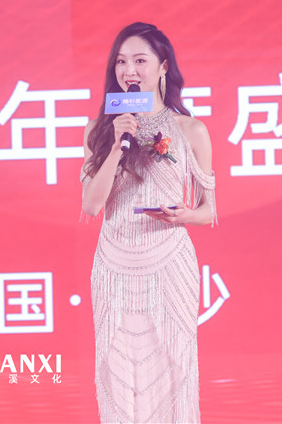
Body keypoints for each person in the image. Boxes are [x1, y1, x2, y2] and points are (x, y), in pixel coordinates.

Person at [81, 22, 216, 423]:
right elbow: (92, 205)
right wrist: (116, 147)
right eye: (121, 62)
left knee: (172, 372)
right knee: (119, 376)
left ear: (163, 67)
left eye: (140, 60)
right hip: (114, 267)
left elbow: (209, 210)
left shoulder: (191, 130)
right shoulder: (101, 130)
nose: (129, 70)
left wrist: (183, 215)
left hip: (169, 264)